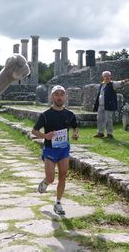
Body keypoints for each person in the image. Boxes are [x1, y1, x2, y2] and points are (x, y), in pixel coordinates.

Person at [32, 85, 79, 215]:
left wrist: (75, 134)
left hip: (64, 149)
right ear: (52, 96)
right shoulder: (45, 115)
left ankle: (58, 203)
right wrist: (45, 136)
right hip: (50, 150)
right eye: (56, 94)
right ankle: (46, 182)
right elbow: (34, 131)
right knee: (51, 178)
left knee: (63, 176)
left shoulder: (70, 115)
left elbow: (75, 127)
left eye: (61, 94)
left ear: (65, 97)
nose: (59, 97)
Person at [93, 71, 128, 138]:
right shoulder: (102, 85)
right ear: (103, 77)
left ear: (110, 76)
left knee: (108, 120)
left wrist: (123, 81)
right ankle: (100, 133)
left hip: (108, 105)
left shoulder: (112, 84)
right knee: (100, 119)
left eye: (108, 76)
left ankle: (109, 133)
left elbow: (119, 83)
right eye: (106, 76)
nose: (107, 77)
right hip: (100, 105)